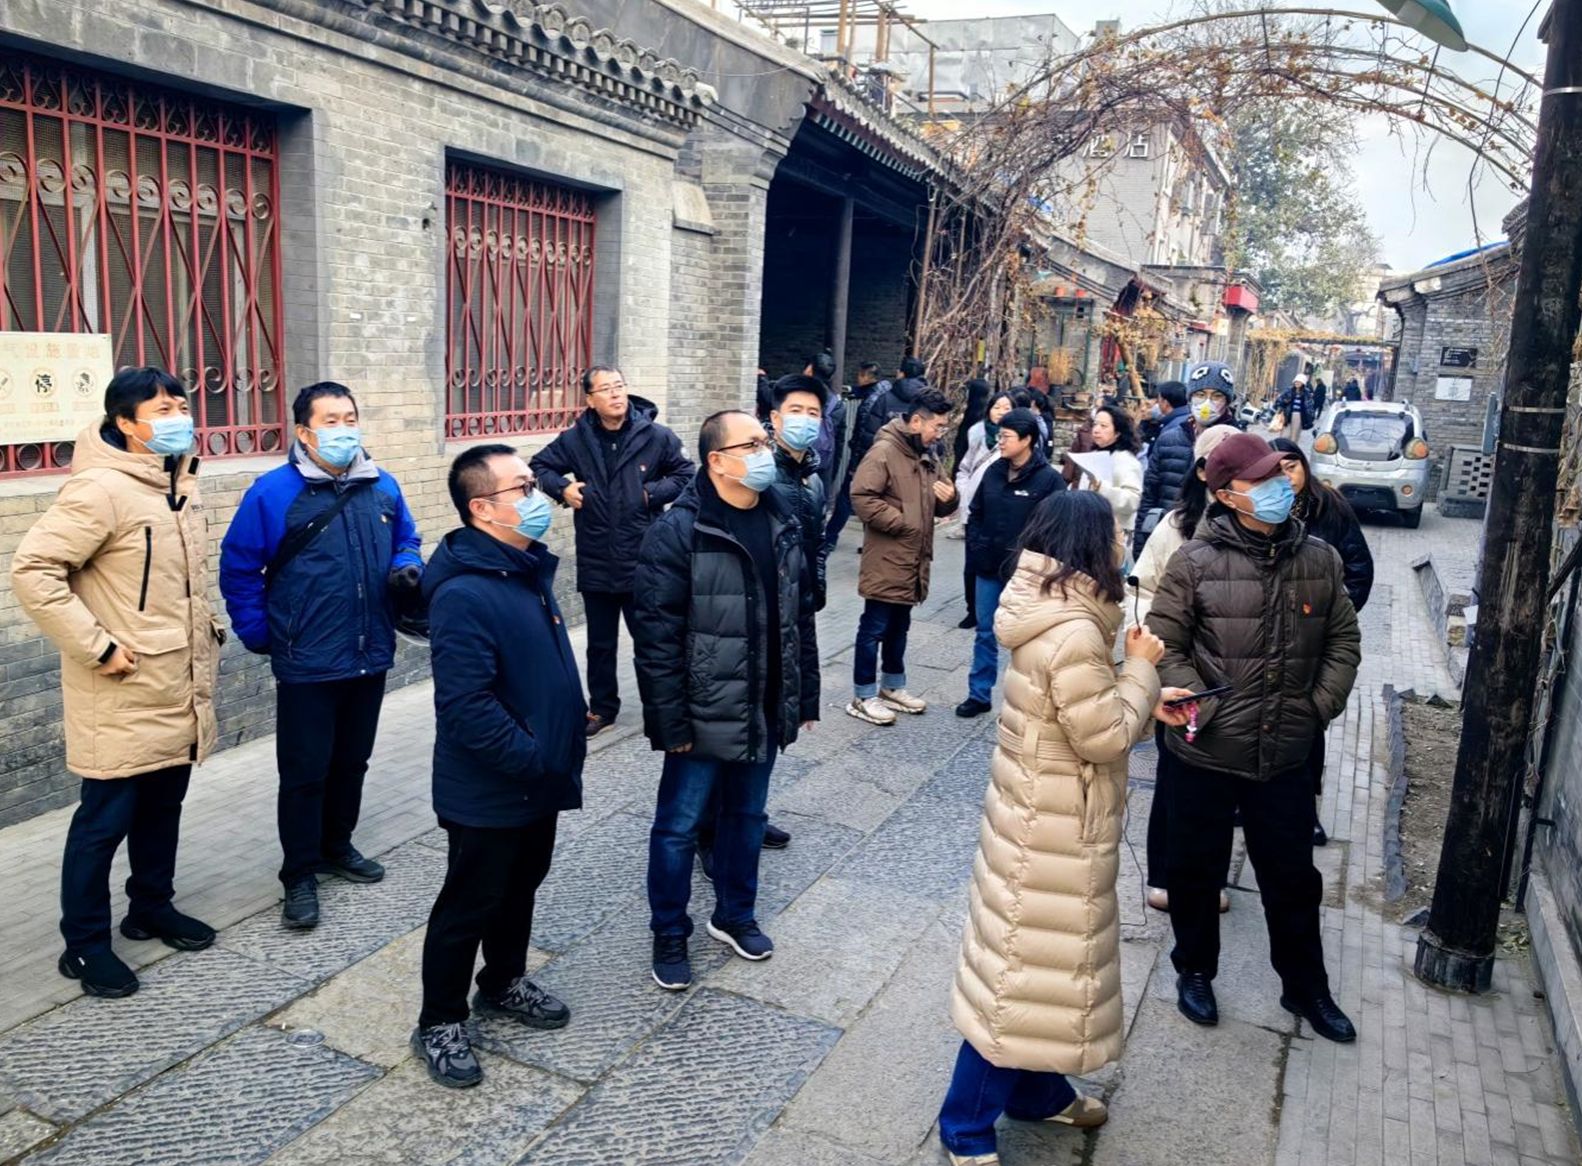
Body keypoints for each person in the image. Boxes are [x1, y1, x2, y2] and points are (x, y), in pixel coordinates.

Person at [940, 490, 1180, 1165]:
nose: (1123, 544)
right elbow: (1101, 736)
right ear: (1090, 546)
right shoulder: (1074, 629)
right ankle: (965, 1128)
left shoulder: (1054, 607)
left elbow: (1081, 710)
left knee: (1045, 974)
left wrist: (1144, 700)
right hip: (1050, 828)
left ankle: (1038, 1093)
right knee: (1020, 981)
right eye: (1117, 534)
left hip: (1042, 814)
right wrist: (1143, 668)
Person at [11, 368, 221, 998]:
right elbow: (34, 571)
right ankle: (84, 945)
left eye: (181, 405)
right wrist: (98, 646)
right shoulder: (100, 489)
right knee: (102, 824)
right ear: (126, 423)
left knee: (162, 808)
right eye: (162, 410)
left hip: (175, 682)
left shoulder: (175, 481)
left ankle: (150, 907)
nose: (179, 418)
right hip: (122, 689)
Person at [1147, 431, 1362, 1044]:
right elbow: (1163, 647)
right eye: (1261, 480)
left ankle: (1306, 986)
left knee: (1292, 879)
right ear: (1226, 494)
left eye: (1280, 476)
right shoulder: (1194, 562)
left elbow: (1344, 640)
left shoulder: (1319, 559)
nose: (1277, 487)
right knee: (1195, 871)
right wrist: (1203, 708)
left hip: (1286, 752)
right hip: (1205, 750)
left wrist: (1316, 708)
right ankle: (1194, 970)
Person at [411, 445, 586, 1089]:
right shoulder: (464, 591)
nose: (538, 496)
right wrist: (533, 758)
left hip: (538, 779)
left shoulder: (522, 567)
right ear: (483, 508)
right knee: (470, 903)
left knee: (520, 887)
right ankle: (439, 1019)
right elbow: (467, 706)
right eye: (523, 487)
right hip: (490, 786)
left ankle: (504, 980)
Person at [220, 382, 422, 930]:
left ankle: (337, 846)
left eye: (350, 417)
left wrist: (406, 566)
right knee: (304, 772)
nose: (344, 429)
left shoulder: (382, 485)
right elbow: (239, 567)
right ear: (305, 432)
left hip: (369, 650)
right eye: (330, 420)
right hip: (307, 657)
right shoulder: (272, 492)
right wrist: (258, 631)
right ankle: (299, 874)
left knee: (351, 762)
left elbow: (408, 538)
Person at [634, 410, 819, 991]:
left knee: (747, 817)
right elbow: (656, 638)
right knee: (678, 827)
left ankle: (735, 914)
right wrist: (669, 721)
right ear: (717, 460)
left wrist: (803, 696)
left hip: (764, 702)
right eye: (753, 443)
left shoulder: (781, 517)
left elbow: (800, 616)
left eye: (765, 440)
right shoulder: (679, 531)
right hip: (702, 709)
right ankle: (669, 930)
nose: (766, 450)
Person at [696, 375, 825, 869]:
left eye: (814, 414)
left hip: (788, 607)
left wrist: (812, 590)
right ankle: (710, 833)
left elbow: (813, 544)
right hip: (740, 622)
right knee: (729, 736)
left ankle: (750, 814)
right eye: (796, 411)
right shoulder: (760, 480)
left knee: (767, 729)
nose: (805, 422)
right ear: (774, 417)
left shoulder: (812, 478)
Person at [530, 365, 695, 738]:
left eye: (619, 386)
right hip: (597, 556)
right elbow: (538, 467)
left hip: (644, 557)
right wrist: (562, 489)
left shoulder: (656, 436)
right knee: (600, 644)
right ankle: (603, 708)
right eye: (605, 389)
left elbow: (686, 474)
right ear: (590, 399)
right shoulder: (576, 439)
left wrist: (649, 494)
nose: (615, 394)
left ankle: (662, 707)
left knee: (652, 640)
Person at [1131, 423, 1240, 915]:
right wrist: (1152, 656)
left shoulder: (1259, 525)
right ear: (1201, 471)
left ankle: (1211, 878)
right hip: (1181, 671)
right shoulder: (1176, 526)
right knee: (1174, 778)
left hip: (1234, 674)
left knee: (1223, 785)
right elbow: (1142, 591)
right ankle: (1163, 875)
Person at [1272, 437, 1375, 847]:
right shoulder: (1262, 509)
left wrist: (1332, 616)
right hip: (1264, 639)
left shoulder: (1329, 507)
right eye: (1276, 469)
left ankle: (1305, 810)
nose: (1286, 476)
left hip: (1310, 640)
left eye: (1292, 467)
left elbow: (1359, 568)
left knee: (1306, 728)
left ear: (1304, 466)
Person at [847, 387, 959, 725]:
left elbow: (941, 500)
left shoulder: (927, 455)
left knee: (900, 626)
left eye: (944, 427)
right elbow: (862, 496)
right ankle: (863, 694)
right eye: (937, 426)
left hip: (914, 559)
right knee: (874, 628)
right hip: (886, 558)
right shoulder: (884, 451)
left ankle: (892, 686)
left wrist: (951, 499)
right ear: (916, 421)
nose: (940, 433)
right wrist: (902, 522)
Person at [956, 408, 1064, 718]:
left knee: (1027, 638)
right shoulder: (993, 471)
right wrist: (977, 546)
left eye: (1006, 436)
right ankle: (979, 694)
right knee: (985, 632)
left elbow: (1056, 527)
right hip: (989, 565)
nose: (1000, 442)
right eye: (999, 436)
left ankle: (1026, 701)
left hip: (1027, 573)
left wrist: (1040, 563)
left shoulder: (1049, 480)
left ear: (1027, 440)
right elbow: (976, 512)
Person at [949, 388, 1021, 630]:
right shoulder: (977, 433)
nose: (1000, 412)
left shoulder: (1018, 440)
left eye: (1006, 408)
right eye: (996, 407)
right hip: (974, 510)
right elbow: (964, 467)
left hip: (1001, 513)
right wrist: (964, 493)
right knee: (971, 563)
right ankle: (973, 609)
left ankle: (997, 609)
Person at [823, 361, 889, 554]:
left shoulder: (870, 403)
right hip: (881, 458)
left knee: (846, 498)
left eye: (859, 375)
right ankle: (872, 542)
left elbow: (863, 435)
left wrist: (854, 464)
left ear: (867, 377)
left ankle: (830, 538)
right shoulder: (885, 392)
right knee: (874, 500)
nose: (857, 379)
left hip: (865, 459)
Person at [1132, 380, 1191, 556]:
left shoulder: (1174, 430)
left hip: (1168, 514)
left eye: (1156, 401)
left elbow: (1155, 482)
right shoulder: (1175, 424)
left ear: (1164, 402)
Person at [1076, 404, 1144, 538]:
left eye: (1103, 426)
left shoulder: (1126, 460)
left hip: (1113, 533)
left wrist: (1102, 488)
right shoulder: (1094, 455)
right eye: (1095, 424)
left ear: (1117, 432)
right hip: (1087, 528)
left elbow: (1133, 501)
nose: (1096, 430)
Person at [803, 350, 848, 499]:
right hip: (823, 467)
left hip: (796, 464)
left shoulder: (796, 398)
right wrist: (832, 473)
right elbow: (839, 442)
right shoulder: (837, 405)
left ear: (809, 370)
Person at [1274, 374, 1313, 443]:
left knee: (1294, 436)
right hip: (1287, 414)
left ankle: (1291, 448)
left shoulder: (1306, 392)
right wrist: (1284, 402)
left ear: (1303, 383)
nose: (1297, 383)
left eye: (1299, 382)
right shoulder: (1289, 390)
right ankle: (1282, 447)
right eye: (1296, 381)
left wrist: (1310, 417)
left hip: (1298, 415)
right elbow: (1279, 401)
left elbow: (1310, 406)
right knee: (1284, 435)